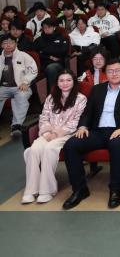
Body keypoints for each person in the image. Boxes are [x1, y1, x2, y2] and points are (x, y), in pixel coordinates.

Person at [62, 58, 120, 210]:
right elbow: (87, 112)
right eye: (110, 71)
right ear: (105, 73)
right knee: (71, 145)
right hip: (98, 131)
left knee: (117, 144)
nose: (114, 74)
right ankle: (79, 189)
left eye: (117, 70)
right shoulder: (97, 89)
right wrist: (83, 126)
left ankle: (115, 190)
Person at [22, 69, 86, 204]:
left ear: (74, 82)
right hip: (48, 133)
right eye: (61, 80)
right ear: (57, 83)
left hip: (67, 134)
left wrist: (56, 134)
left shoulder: (81, 99)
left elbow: (76, 121)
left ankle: (47, 190)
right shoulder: (51, 98)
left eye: (68, 80)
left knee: (49, 149)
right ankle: (31, 190)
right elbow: (44, 117)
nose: (65, 83)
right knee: (33, 150)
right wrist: (47, 133)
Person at [0, 34, 38, 136]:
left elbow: (33, 70)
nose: (8, 45)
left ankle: (16, 125)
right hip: (3, 87)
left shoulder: (24, 56)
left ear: (16, 44)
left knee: (21, 96)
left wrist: (25, 82)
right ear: (1, 45)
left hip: (20, 86)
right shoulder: (0, 58)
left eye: (11, 43)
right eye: (5, 43)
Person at [34, 18, 70, 89]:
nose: (47, 29)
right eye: (45, 27)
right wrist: (49, 56)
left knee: (51, 68)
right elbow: (36, 53)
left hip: (58, 63)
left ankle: (54, 91)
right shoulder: (38, 40)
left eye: (49, 27)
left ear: (54, 27)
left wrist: (44, 51)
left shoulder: (62, 38)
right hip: (43, 63)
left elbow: (63, 51)